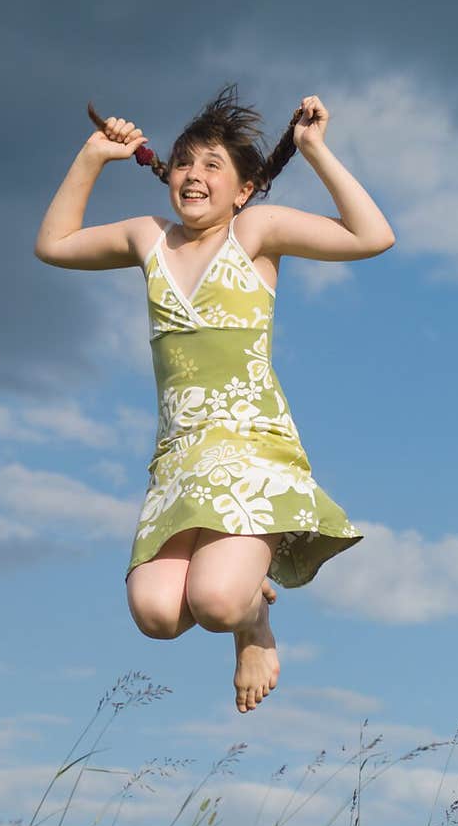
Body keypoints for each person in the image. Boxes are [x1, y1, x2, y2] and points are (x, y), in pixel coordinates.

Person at [34, 84, 394, 714]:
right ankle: (239, 593)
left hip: (252, 452)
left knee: (219, 603)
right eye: (185, 162)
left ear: (243, 190)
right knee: (155, 614)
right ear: (167, 174)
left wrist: (312, 149)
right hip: (177, 462)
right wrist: (93, 156)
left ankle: (253, 623)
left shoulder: (254, 233)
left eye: (212, 165)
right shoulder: (149, 238)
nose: (194, 175)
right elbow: (55, 245)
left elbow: (373, 236)